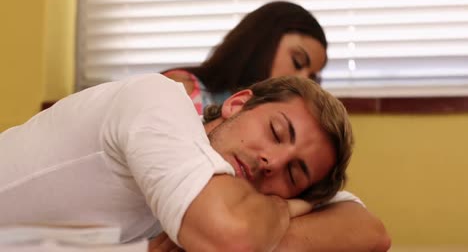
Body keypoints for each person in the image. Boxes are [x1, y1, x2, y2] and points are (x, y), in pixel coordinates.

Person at [1, 74, 355, 251]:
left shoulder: (206, 191)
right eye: (276, 131)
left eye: (293, 174)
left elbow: (369, 230)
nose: (271, 161)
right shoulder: (160, 100)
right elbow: (231, 238)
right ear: (237, 103)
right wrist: (285, 205)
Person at [161, 1, 391, 251]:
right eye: (297, 61)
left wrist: (277, 217)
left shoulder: (285, 154)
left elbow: (370, 230)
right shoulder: (178, 92)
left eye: (312, 76)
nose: (301, 77)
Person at [163, 1, 328, 114]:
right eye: (297, 62)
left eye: (312, 77)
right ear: (262, 41)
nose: (303, 80)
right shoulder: (183, 90)